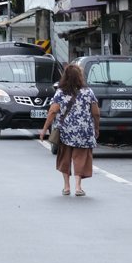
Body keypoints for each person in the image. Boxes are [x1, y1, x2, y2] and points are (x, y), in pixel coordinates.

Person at [39, 63, 100, 197]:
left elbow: (52, 112)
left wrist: (44, 130)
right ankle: (78, 187)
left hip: (65, 131)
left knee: (64, 158)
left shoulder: (60, 93)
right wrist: (96, 127)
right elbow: (96, 113)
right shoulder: (88, 92)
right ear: (79, 77)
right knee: (81, 158)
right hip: (84, 132)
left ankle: (66, 187)